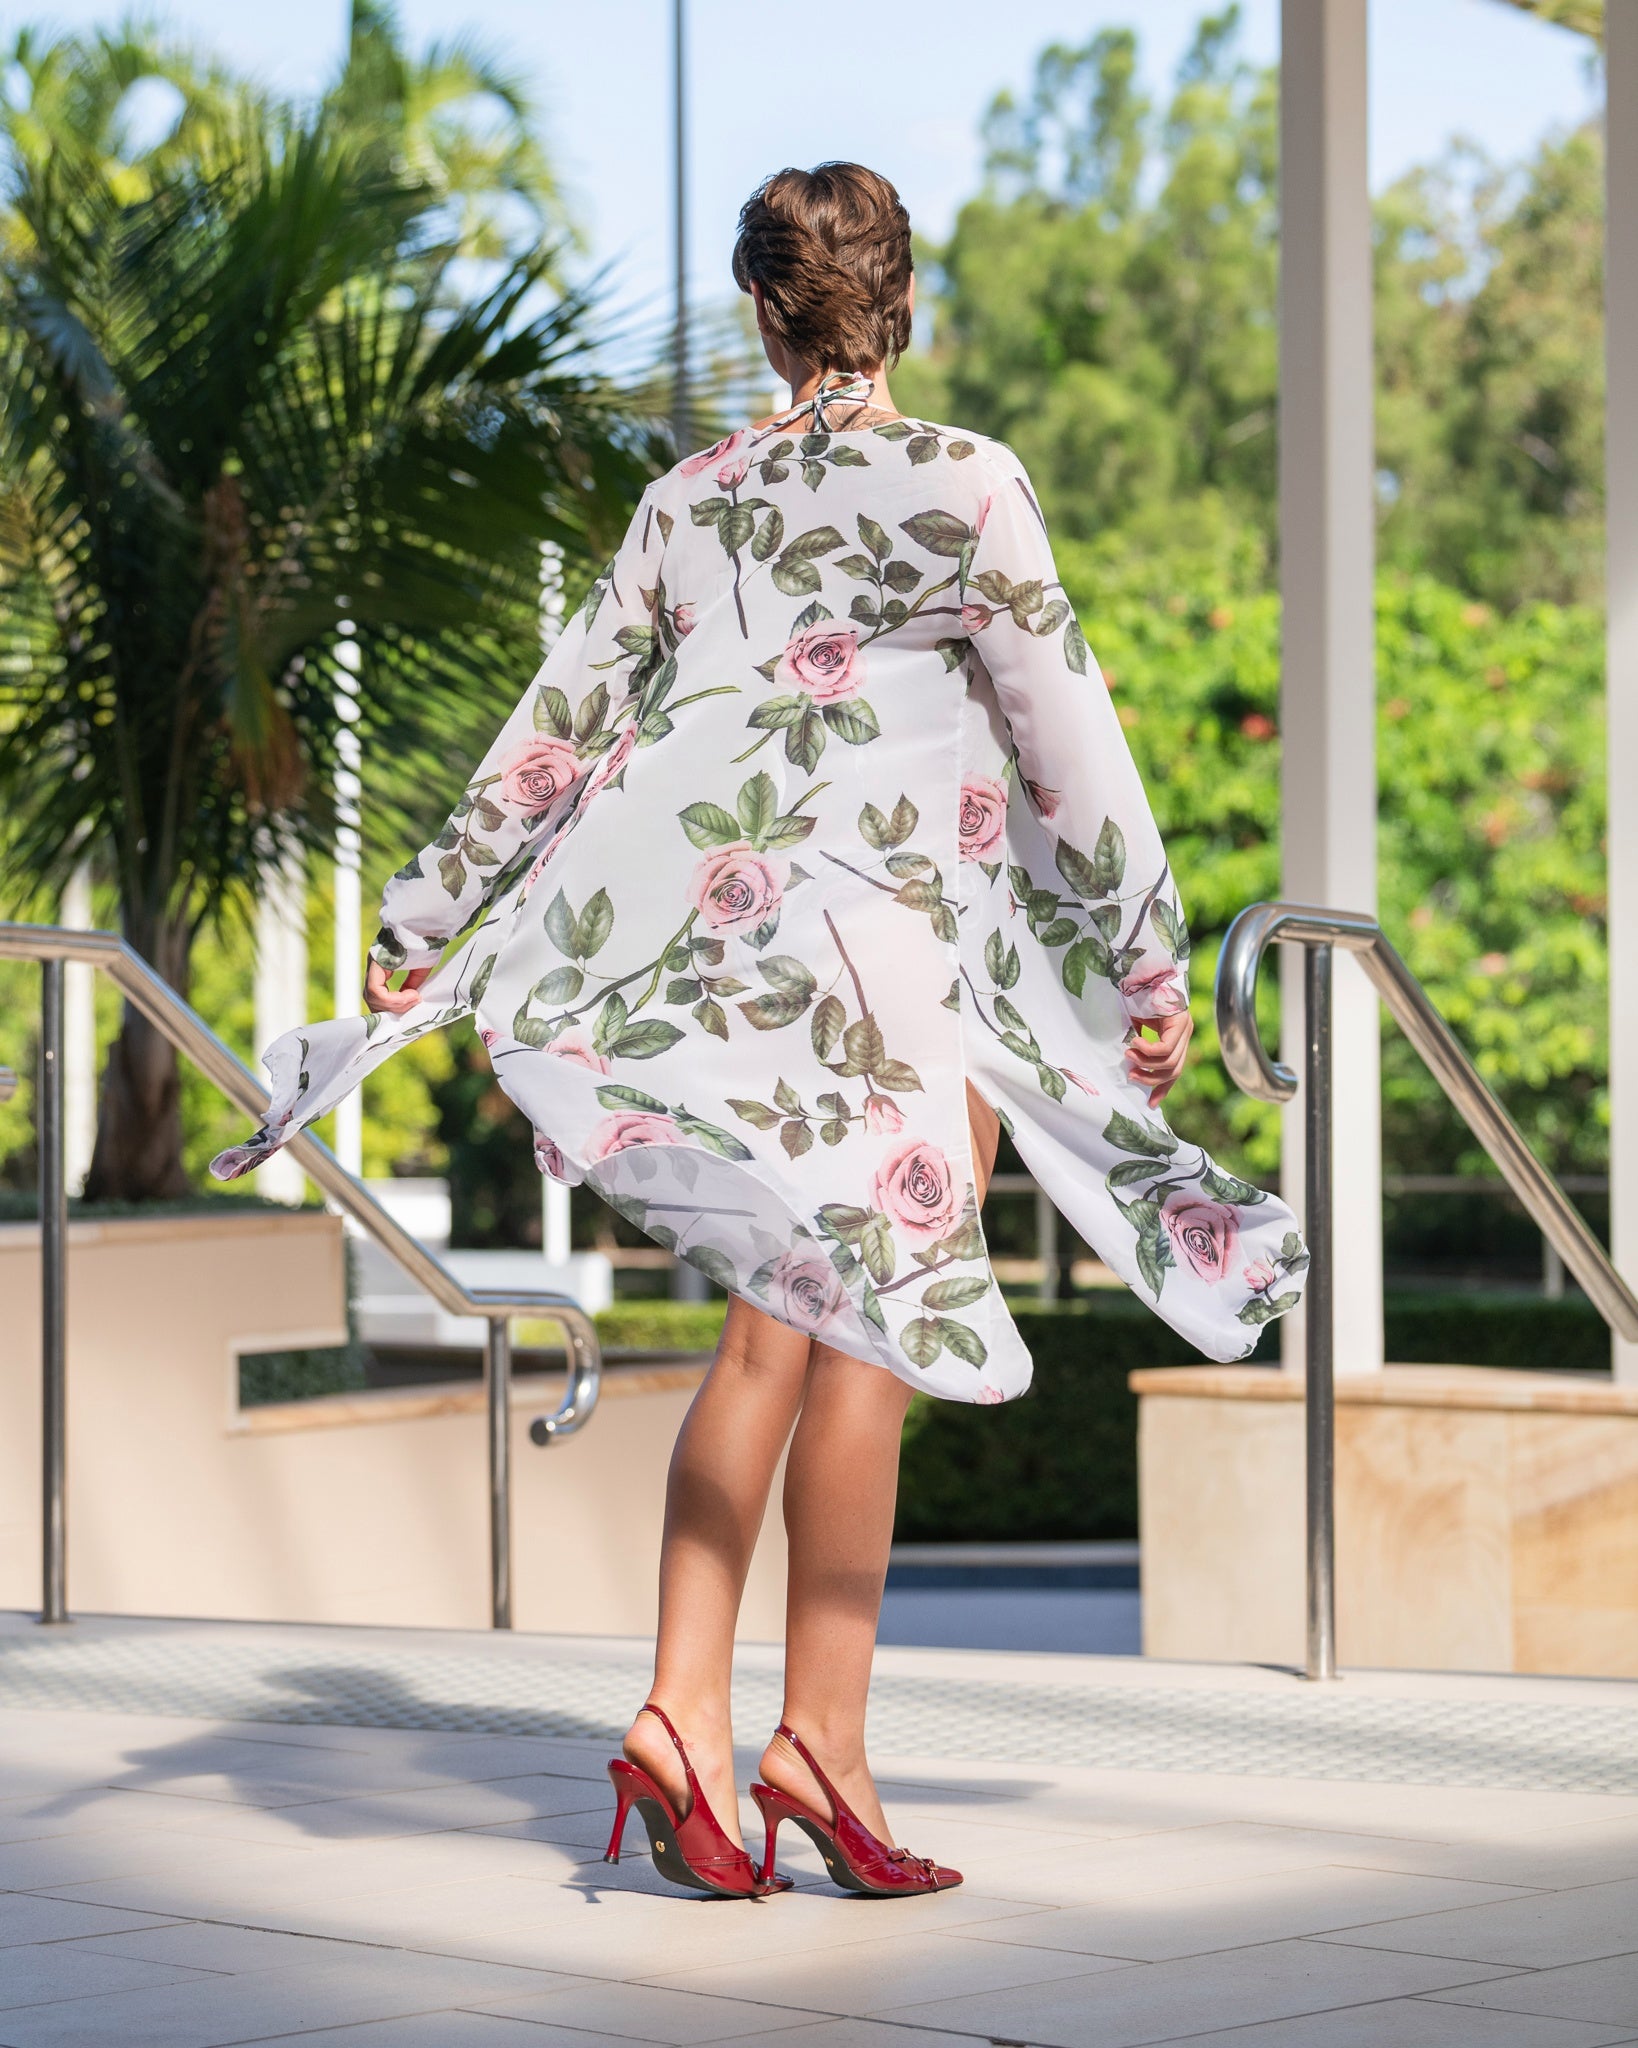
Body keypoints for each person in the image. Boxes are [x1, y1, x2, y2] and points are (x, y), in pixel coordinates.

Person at [214, 162, 1306, 1899]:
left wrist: (422, 925)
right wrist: (1144, 962)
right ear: (901, 301)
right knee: (866, 1358)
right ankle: (821, 1748)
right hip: (894, 985)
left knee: (760, 1348)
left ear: (762, 310)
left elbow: (560, 726)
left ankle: (679, 1713)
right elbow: (1064, 734)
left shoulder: (691, 498)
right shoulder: (967, 481)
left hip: (725, 982)